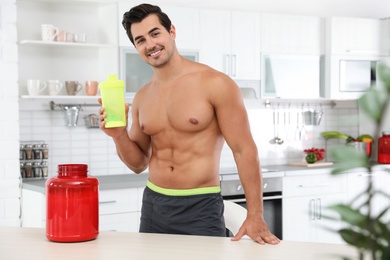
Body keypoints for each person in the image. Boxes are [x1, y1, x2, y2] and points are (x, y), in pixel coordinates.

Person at [99, 3, 280, 245]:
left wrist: (255, 214)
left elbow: (244, 149)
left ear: (171, 32)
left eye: (155, 33)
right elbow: (138, 164)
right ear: (136, 48)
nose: (150, 44)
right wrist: (118, 135)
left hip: (201, 206)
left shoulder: (215, 84)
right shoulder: (142, 97)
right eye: (140, 40)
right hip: (154, 205)